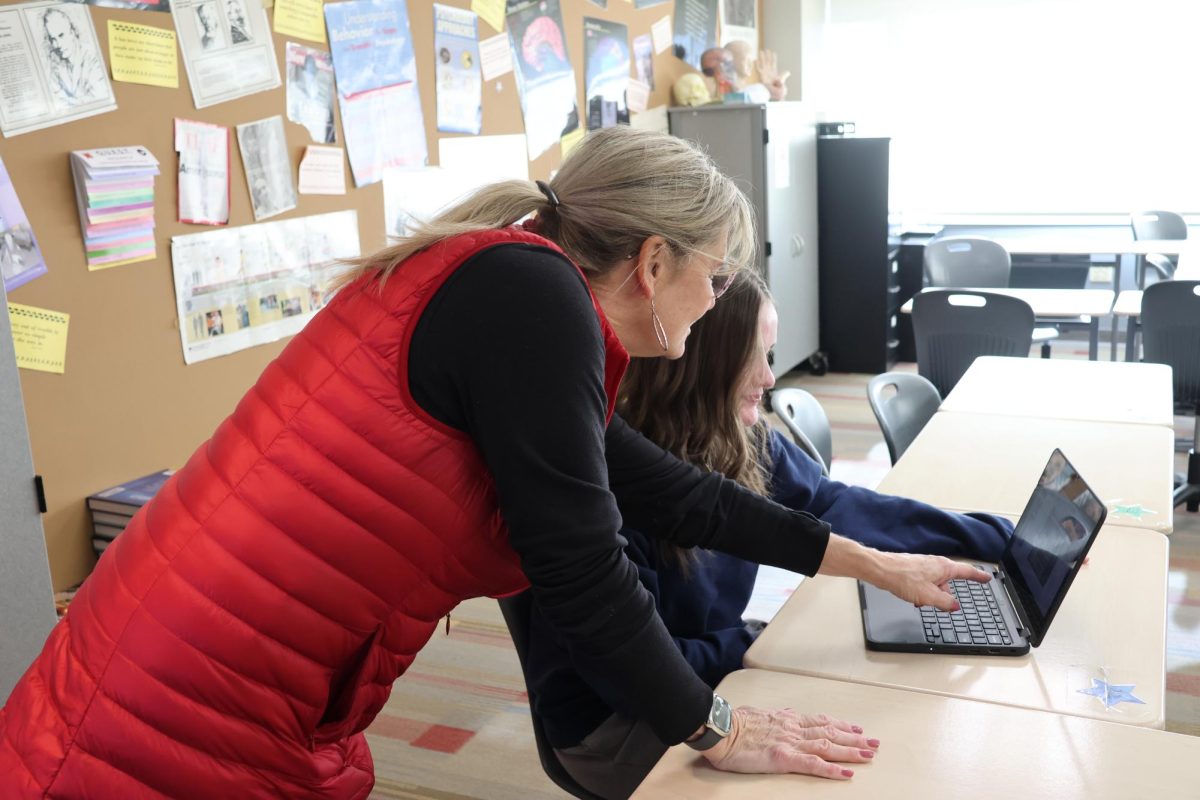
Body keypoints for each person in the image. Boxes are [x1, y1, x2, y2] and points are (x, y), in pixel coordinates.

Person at [0, 126, 988, 799]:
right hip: (185, 685)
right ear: (653, 264)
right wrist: (716, 725)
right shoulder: (528, 302)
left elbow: (671, 491)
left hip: (219, 662)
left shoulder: (513, 295)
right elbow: (583, 565)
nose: (714, 298)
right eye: (713, 274)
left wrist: (866, 560)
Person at [525, 272, 1015, 799]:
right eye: (753, 356)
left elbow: (830, 504)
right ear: (703, 359)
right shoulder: (616, 484)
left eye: (771, 354)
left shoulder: (739, 436)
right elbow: (635, 666)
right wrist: (766, 642)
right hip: (617, 719)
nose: (769, 377)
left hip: (711, 672)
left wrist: (989, 537)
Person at [40, 6, 106, 107]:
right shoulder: (54, 60)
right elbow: (55, 97)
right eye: (53, 39)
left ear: (72, 32)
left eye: (61, 35)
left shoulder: (92, 56)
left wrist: (69, 101)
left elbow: (98, 97)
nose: (58, 44)